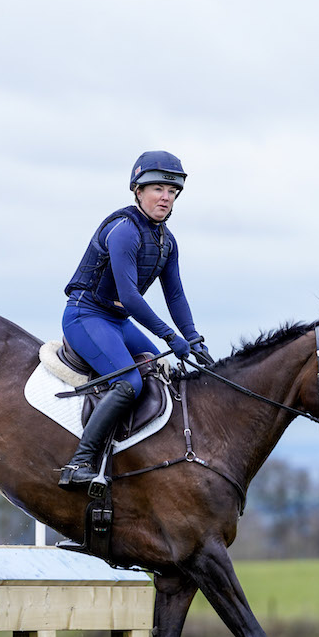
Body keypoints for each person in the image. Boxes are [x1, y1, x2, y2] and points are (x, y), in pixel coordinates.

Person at [57, 150, 214, 487]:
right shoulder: (125, 231)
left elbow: (175, 295)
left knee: (162, 374)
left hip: (118, 322)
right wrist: (171, 337)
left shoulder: (166, 242)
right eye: (158, 189)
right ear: (138, 191)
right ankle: (79, 463)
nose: (166, 197)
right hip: (86, 315)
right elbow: (130, 296)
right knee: (129, 382)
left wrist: (195, 338)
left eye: (172, 192)